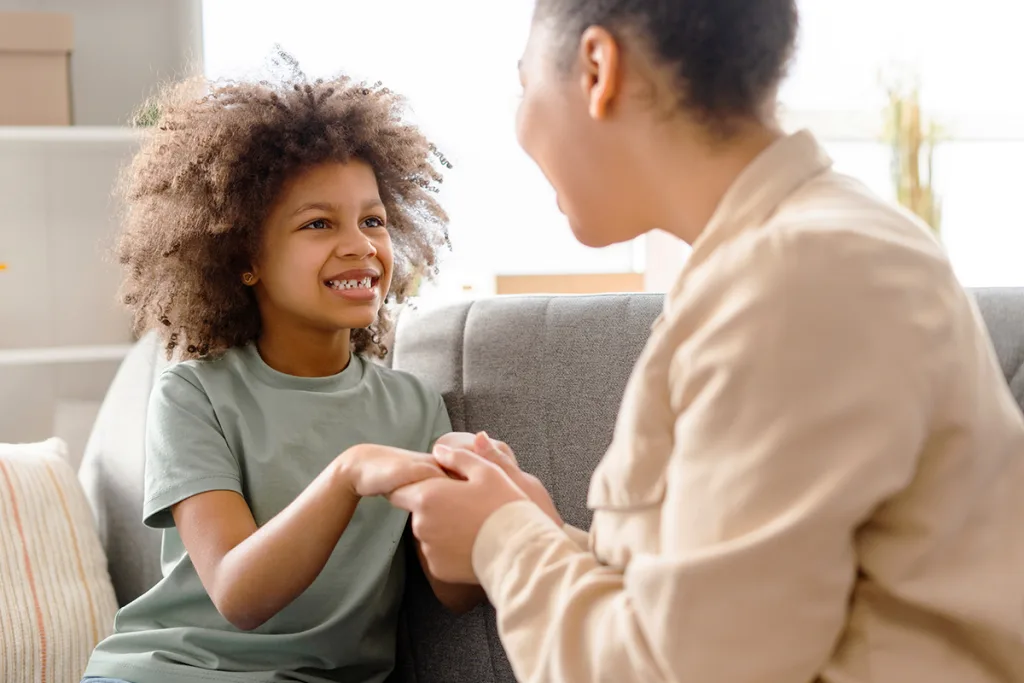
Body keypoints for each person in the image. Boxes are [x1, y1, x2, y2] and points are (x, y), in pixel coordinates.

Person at [385, 1, 1024, 681]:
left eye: (524, 84)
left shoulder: (797, 281)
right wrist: (536, 530)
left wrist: (500, 540)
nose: (518, 125)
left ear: (598, 69)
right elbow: (726, 608)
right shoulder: (777, 262)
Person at [82, 60, 486, 683]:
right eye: (318, 224)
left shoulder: (414, 407)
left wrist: (496, 505)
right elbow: (239, 596)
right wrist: (348, 474)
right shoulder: (194, 396)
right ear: (246, 259)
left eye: (372, 220)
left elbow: (451, 595)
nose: (359, 245)